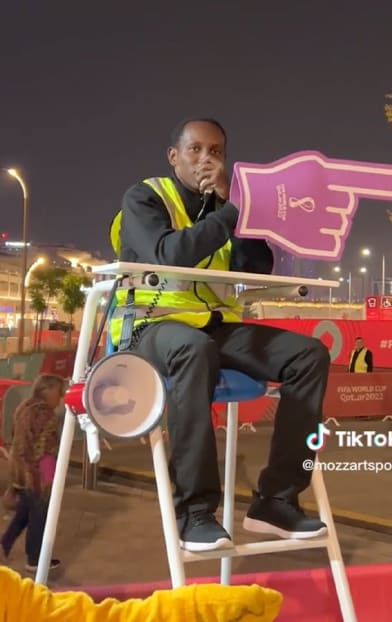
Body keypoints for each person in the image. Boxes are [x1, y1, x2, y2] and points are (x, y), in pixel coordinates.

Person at [110, 118, 330, 552]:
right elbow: (168, 254)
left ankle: (276, 500)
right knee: (194, 350)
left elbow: (256, 268)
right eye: (195, 150)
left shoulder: (230, 206)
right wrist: (233, 213)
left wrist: (239, 209)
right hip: (150, 329)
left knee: (309, 355)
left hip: (212, 328)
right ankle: (194, 512)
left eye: (216, 152)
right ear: (174, 156)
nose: (206, 160)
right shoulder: (145, 198)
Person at [2, 374, 65, 571]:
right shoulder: (45, 414)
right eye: (59, 393)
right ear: (49, 391)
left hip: (19, 470)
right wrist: (48, 481)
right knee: (39, 515)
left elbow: (16, 437)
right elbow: (46, 450)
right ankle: (34, 559)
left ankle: (4, 545)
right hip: (35, 475)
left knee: (24, 512)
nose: (61, 398)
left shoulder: (25, 406)